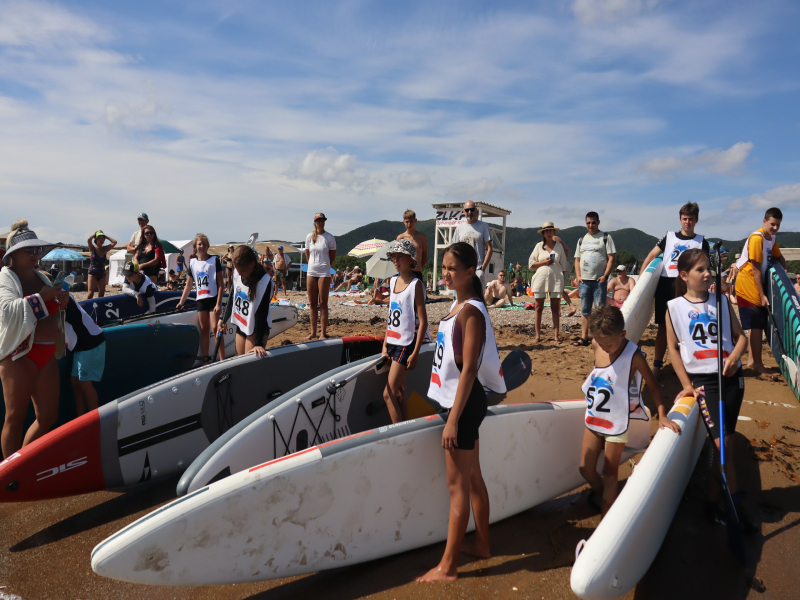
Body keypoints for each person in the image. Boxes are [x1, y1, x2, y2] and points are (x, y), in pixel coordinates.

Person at [417, 242, 506, 582]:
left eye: (453, 268)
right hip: (461, 403)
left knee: (457, 488)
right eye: (444, 267)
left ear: (470, 271)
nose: (447, 273)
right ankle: (482, 545)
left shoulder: (471, 311)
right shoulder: (461, 306)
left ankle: (448, 567)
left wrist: (452, 420)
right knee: (472, 480)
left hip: (462, 406)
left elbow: (470, 370)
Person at [666, 248, 755, 530]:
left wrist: (735, 356)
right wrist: (686, 385)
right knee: (723, 445)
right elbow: (672, 349)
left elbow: (741, 338)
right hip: (704, 382)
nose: (707, 274)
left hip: (732, 380)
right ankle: (735, 508)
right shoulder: (673, 307)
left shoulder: (721, 301)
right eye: (700, 270)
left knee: (724, 444)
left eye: (708, 269)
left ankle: (712, 504)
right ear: (685, 275)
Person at [580, 305, 679, 515]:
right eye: (601, 342)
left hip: (617, 422)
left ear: (622, 334)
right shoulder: (597, 345)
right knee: (585, 469)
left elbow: (653, 386)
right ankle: (605, 497)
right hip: (595, 417)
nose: (605, 348)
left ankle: (607, 519)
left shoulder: (633, 355)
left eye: (610, 343)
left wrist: (662, 415)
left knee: (609, 473)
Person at [0, 220, 67, 457]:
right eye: (29, 250)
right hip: (20, 355)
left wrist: (60, 304)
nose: (35, 254)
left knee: (48, 416)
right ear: (13, 255)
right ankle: (8, 479)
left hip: (46, 355)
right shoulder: (6, 277)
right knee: (15, 417)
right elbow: (7, 311)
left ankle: (22, 465)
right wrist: (42, 297)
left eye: (37, 249)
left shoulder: (43, 277)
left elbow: (50, 307)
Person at [641, 202, 709, 377]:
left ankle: (689, 365)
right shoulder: (669, 236)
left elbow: (706, 269)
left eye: (691, 219)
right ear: (680, 219)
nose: (687, 222)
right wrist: (641, 281)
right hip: (665, 284)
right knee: (663, 327)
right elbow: (651, 256)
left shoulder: (702, 242)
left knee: (688, 326)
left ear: (696, 220)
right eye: (685, 219)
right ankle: (657, 365)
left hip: (687, 286)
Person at [381, 240, 429, 424]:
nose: (395, 260)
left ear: (410, 260)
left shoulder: (416, 285)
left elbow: (423, 322)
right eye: (394, 257)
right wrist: (385, 344)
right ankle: (408, 428)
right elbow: (391, 316)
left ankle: (399, 436)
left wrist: (415, 352)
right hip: (392, 342)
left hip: (405, 344)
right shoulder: (392, 281)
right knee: (400, 393)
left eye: (399, 256)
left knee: (388, 394)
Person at [734, 207, 787, 373]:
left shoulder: (771, 237)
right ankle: (757, 365)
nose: (775, 228)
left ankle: (752, 360)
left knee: (756, 324)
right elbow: (756, 269)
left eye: (778, 225)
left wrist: (783, 276)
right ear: (764, 221)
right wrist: (762, 294)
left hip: (755, 282)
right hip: (747, 283)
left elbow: (779, 257)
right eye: (772, 224)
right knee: (756, 324)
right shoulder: (757, 238)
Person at [219, 245, 274, 358]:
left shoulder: (264, 282)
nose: (239, 273)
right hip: (243, 323)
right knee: (238, 359)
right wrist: (223, 319)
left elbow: (261, 312)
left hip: (257, 327)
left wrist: (258, 343)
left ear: (252, 264)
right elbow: (231, 298)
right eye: (237, 269)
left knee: (249, 364)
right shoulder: (237, 272)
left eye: (242, 270)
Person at [177, 233, 225, 362]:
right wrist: (181, 302)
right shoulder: (192, 263)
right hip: (201, 299)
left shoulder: (214, 260)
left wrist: (218, 303)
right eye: (199, 244)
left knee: (216, 328)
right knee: (204, 329)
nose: (202, 246)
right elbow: (188, 285)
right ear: (195, 246)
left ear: (207, 246)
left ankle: (222, 359)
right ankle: (205, 360)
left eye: (204, 244)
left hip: (213, 298)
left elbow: (221, 284)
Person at [573, 212, 616, 347]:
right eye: (588, 223)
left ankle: (598, 337)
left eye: (593, 222)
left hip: (599, 281)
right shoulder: (581, 240)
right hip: (584, 281)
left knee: (599, 311)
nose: (590, 225)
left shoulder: (605, 237)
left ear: (598, 222)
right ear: (585, 223)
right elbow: (577, 259)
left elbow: (612, 258)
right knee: (585, 310)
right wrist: (578, 276)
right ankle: (584, 337)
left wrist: (606, 276)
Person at [529, 222, 570, 343]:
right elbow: (531, 263)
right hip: (541, 279)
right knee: (538, 307)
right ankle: (537, 335)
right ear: (543, 233)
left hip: (556, 278)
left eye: (550, 231)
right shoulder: (538, 246)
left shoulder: (559, 246)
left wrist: (562, 279)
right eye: (546, 231)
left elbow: (563, 265)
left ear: (553, 232)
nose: (548, 233)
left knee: (555, 308)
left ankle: (556, 335)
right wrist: (543, 263)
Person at [64, 296, 105, 416]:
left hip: (90, 343)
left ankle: (94, 420)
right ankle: (81, 418)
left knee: (85, 384)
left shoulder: (60, 297)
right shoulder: (59, 295)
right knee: (75, 382)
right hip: (81, 345)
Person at [304, 213, 336, 340]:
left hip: (324, 271)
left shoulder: (329, 237)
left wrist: (325, 266)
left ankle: (322, 332)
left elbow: (332, 257)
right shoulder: (309, 237)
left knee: (323, 303)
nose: (321, 222)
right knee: (312, 303)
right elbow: (307, 255)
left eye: (323, 220)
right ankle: (313, 332)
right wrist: (313, 265)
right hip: (311, 271)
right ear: (315, 222)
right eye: (319, 220)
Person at [452, 200, 492, 285]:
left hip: (477, 269)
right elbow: (454, 250)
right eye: (467, 210)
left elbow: (489, 248)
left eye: (472, 209)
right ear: (463, 211)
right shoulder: (459, 228)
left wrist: (483, 268)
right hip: (462, 269)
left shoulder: (483, 226)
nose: (469, 212)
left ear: (476, 210)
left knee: (478, 296)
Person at [397, 209, 429, 281]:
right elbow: (396, 257)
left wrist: (418, 267)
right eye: (407, 222)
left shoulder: (422, 237)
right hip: (403, 273)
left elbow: (424, 257)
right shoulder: (400, 238)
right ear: (404, 222)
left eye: (411, 221)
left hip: (417, 273)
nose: (409, 224)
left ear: (415, 221)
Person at [86, 230, 117, 300]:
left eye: (103, 238)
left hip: (102, 273)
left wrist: (105, 236)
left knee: (101, 294)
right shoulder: (92, 248)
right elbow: (88, 239)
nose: (102, 239)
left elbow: (114, 242)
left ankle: (99, 309)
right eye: (99, 238)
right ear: (96, 239)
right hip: (92, 273)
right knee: (90, 293)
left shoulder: (105, 249)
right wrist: (94, 234)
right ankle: (83, 308)